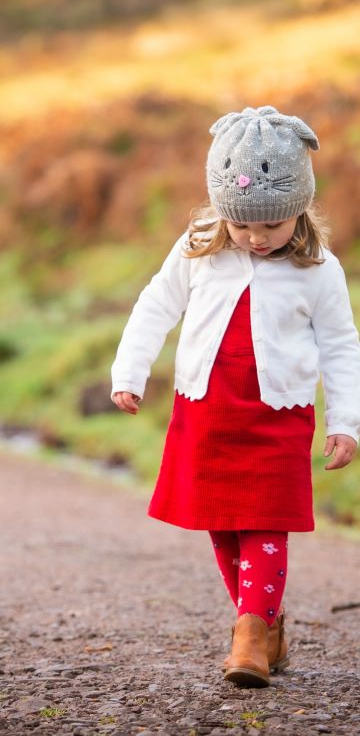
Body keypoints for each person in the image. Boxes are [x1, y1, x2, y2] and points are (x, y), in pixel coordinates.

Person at [110, 105, 360, 688]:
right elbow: (156, 305)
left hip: (279, 413)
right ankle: (265, 625)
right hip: (208, 405)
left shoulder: (318, 268)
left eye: (270, 226)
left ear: (298, 209)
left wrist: (346, 420)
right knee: (222, 521)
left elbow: (342, 346)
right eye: (244, 224)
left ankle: (250, 630)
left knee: (266, 518)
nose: (255, 237)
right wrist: (130, 371)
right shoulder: (200, 245)